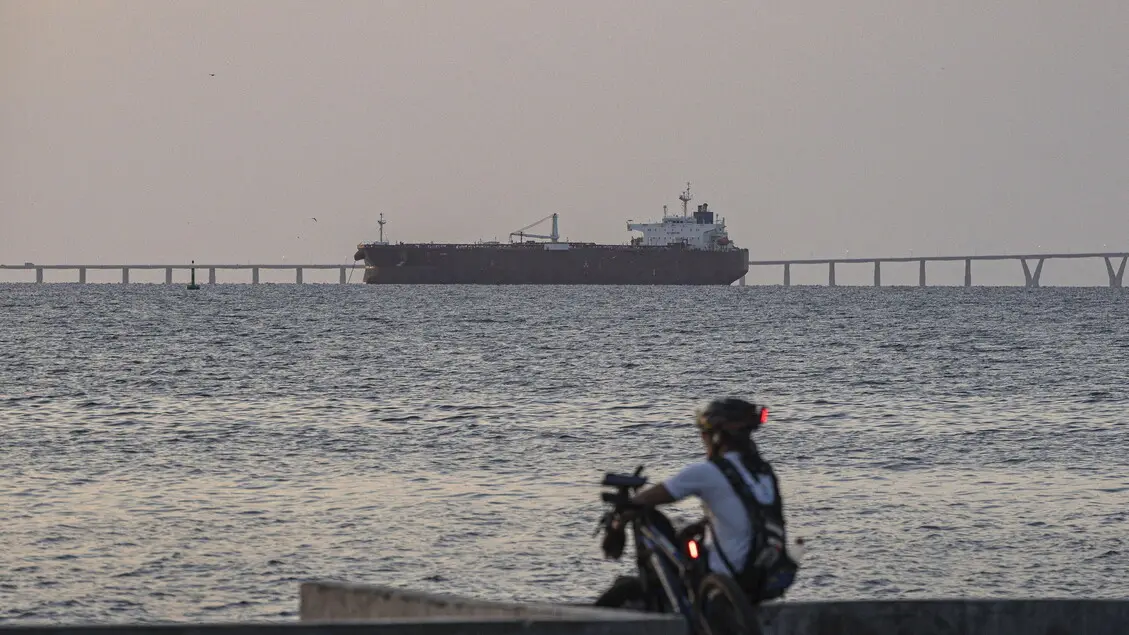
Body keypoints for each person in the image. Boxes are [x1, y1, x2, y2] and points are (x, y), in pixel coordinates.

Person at [595, 397, 794, 608]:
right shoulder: (763, 473)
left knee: (630, 580)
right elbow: (746, 515)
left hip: (725, 577)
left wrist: (626, 506)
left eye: (704, 434)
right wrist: (703, 524)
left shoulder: (708, 472)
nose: (703, 439)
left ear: (716, 437)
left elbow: (657, 494)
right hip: (763, 578)